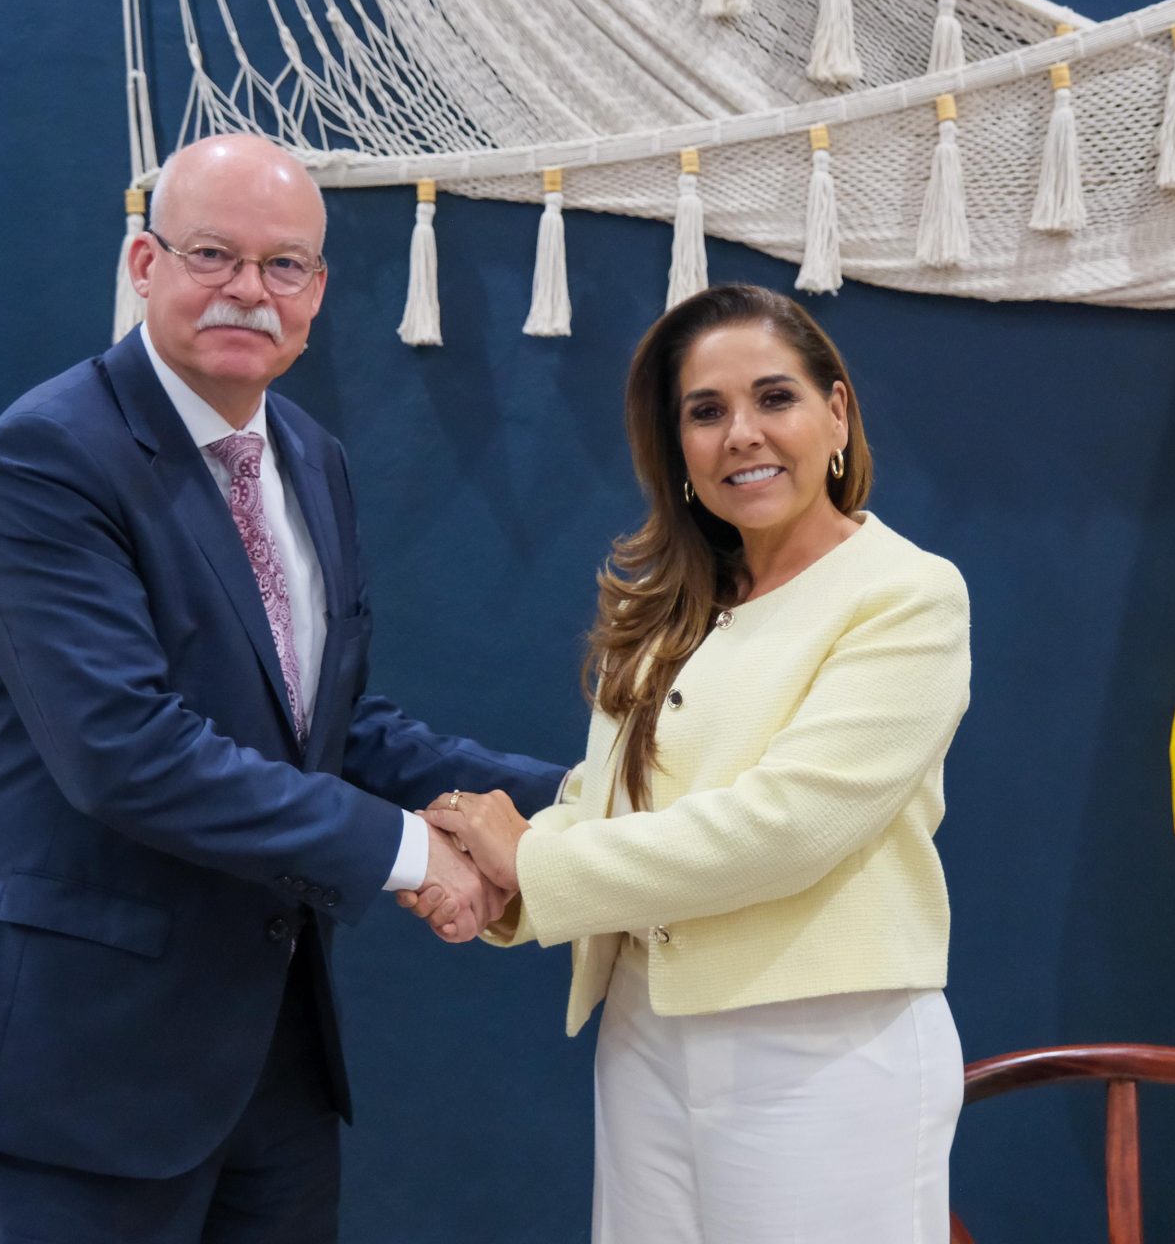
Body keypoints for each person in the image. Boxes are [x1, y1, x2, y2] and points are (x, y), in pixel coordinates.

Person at [0, 134, 562, 1244]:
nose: (250, 290)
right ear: (144, 264)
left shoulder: (310, 456)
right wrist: (409, 850)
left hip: (276, 1061)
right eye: (213, 254)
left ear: (318, 291)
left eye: (284, 266)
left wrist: (580, 795)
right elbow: (126, 751)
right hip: (84, 1063)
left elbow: (329, 728)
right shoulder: (48, 454)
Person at [406, 284, 972, 1243]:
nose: (740, 433)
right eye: (705, 413)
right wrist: (506, 894)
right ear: (676, 450)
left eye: (774, 398)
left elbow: (786, 831)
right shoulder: (675, 606)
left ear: (837, 413)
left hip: (820, 1055)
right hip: (643, 1035)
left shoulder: (908, 595)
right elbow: (607, 804)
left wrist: (528, 860)